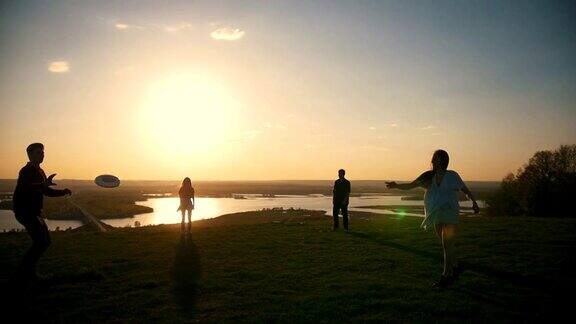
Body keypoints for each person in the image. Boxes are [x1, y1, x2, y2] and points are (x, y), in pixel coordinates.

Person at [386, 149, 479, 287]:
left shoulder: (452, 175)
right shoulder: (428, 176)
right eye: (435, 157)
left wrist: (474, 202)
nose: (435, 160)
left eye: (438, 158)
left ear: (444, 160)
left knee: (447, 244)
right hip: (436, 213)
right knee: (445, 244)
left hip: (450, 212)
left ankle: (446, 276)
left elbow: (464, 189)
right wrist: (396, 186)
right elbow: (411, 186)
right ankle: (456, 266)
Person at [12, 143, 72, 282]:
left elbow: (45, 191)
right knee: (41, 242)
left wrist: (63, 192)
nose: (42, 155)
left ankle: (26, 273)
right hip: (24, 211)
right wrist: (42, 185)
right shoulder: (26, 171)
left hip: (34, 212)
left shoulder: (40, 171)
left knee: (44, 242)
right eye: (39, 152)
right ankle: (24, 274)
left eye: (43, 152)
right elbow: (26, 187)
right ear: (30, 154)